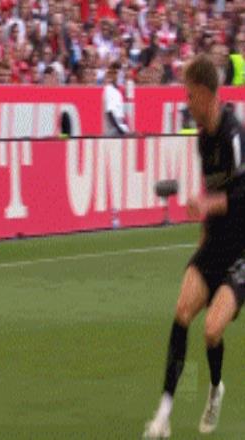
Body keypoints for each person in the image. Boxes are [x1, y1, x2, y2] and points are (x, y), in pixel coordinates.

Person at [144, 54, 245, 438]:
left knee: (212, 331)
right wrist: (204, 232)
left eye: (189, 95)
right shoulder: (203, 139)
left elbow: (240, 198)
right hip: (216, 243)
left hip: (241, 250)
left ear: (205, 93)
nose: (187, 102)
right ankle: (163, 414)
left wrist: (206, 204)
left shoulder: (234, 135)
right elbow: (212, 188)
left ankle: (216, 389)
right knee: (183, 311)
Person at [103, 62, 129, 136]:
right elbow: (110, 113)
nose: (121, 77)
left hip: (121, 126)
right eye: (119, 75)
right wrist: (120, 131)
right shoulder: (109, 90)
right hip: (113, 129)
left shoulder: (118, 92)